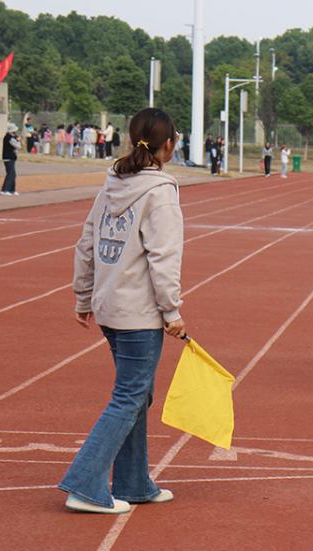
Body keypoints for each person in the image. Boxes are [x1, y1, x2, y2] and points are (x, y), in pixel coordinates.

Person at [60, 107, 185, 514]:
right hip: (138, 312)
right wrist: (171, 311)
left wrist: (83, 296)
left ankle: (133, 482)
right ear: (169, 144)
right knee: (130, 395)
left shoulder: (112, 183)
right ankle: (85, 482)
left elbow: (87, 243)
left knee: (138, 394)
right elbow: (163, 255)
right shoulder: (160, 191)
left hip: (110, 307)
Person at [0, 123, 20, 196]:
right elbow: (18, 146)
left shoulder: (9, 137)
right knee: (10, 174)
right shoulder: (9, 138)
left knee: (13, 174)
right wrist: (18, 140)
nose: (15, 133)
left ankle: (12, 190)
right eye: (14, 131)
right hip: (9, 158)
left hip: (10, 158)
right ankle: (5, 190)